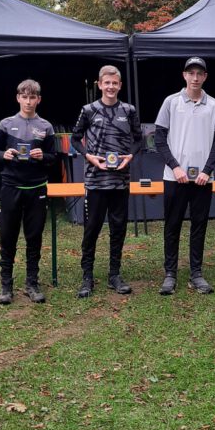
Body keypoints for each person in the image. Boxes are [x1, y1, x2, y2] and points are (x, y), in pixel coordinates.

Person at [154, 57, 215, 295]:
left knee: (199, 226)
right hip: (175, 177)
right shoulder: (171, 102)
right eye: (191, 73)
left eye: (200, 73)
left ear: (205, 77)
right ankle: (170, 274)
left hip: (203, 179)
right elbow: (160, 139)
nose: (195, 77)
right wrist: (175, 166)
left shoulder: (213, 105)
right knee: (172, 226)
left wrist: (207, 170)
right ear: (184, 75)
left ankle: (196, 273)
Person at [71, 65, 142, 299]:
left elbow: (138, 139)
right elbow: (75, 139)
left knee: (118, 229)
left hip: (120, 182)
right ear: (100, 84)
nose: (111, 87)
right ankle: (87, 277)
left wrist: (130, 155)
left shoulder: (129, 110)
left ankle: (114, 275)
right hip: (95, 182)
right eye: (106, 83)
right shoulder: (89, 110)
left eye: (115, 83)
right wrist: (89, 156)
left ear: (120, 85)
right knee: (91, 230)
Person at [0, 79, 56, 305]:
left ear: (38, 99)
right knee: (7, 236)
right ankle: (6, 286)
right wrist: (4, 155)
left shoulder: (46, 126)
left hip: (36, 188)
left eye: (32, 97)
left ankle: (32, 284)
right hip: (11, 187)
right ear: (18, 98)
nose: (28, 102)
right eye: (24, 97)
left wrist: (42, 157)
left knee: (34, 237)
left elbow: (53, 159)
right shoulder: (6, 123)